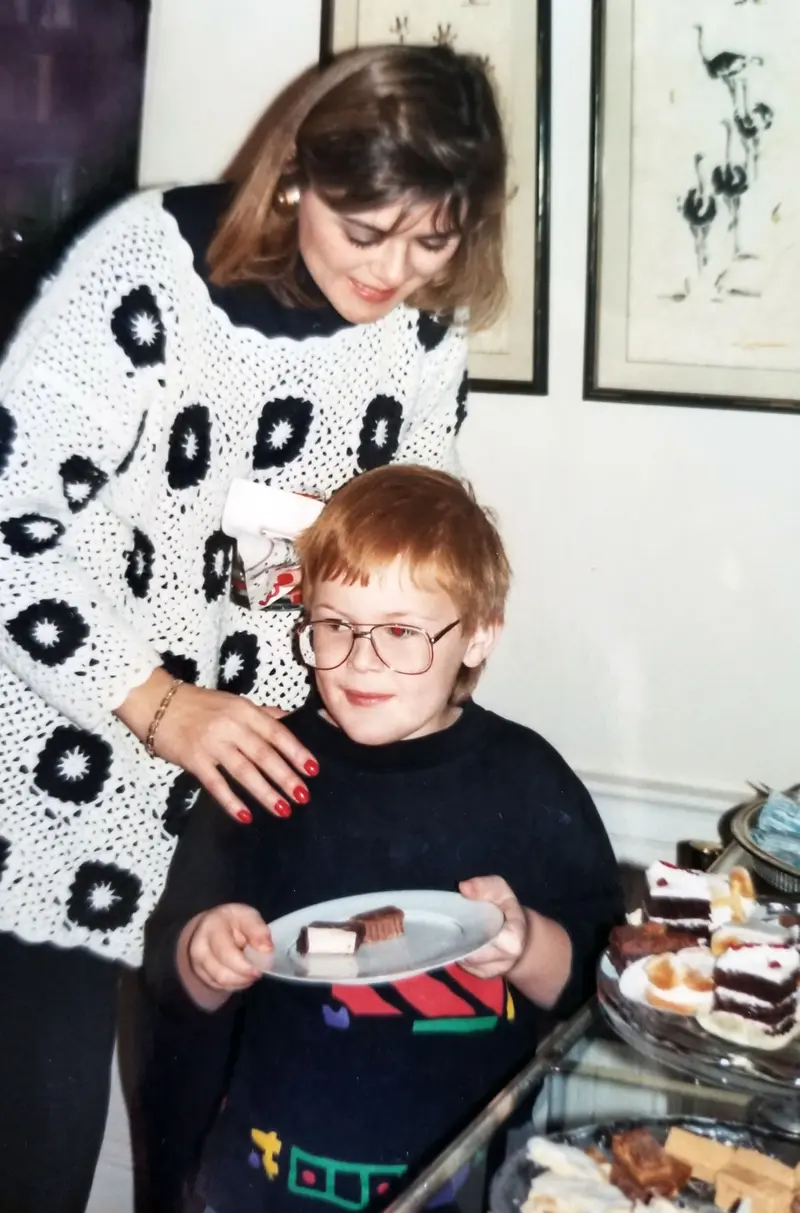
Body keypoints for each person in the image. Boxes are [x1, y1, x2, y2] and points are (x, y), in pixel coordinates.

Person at [0, 42, 509, 1213]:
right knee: (34, 1147)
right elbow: (17, 523)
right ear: (294, 181)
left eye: (433, 239)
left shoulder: (422, 333)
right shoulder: (147, 265)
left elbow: (398, 545)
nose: (398, 271)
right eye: (367, 231)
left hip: (260, 775)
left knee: (208, 1157)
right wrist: (162, 702)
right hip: (62, 763)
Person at [144, 464, 625, 1213]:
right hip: (268, 1179)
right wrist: (204, 949)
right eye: (335, 626)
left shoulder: (528, 782)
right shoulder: (264, 766)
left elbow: (602, 980)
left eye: (402, 631)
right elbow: (173, 974)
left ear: (477, 635)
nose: (362, 660)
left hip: (466, 1179)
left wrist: (527, 944)